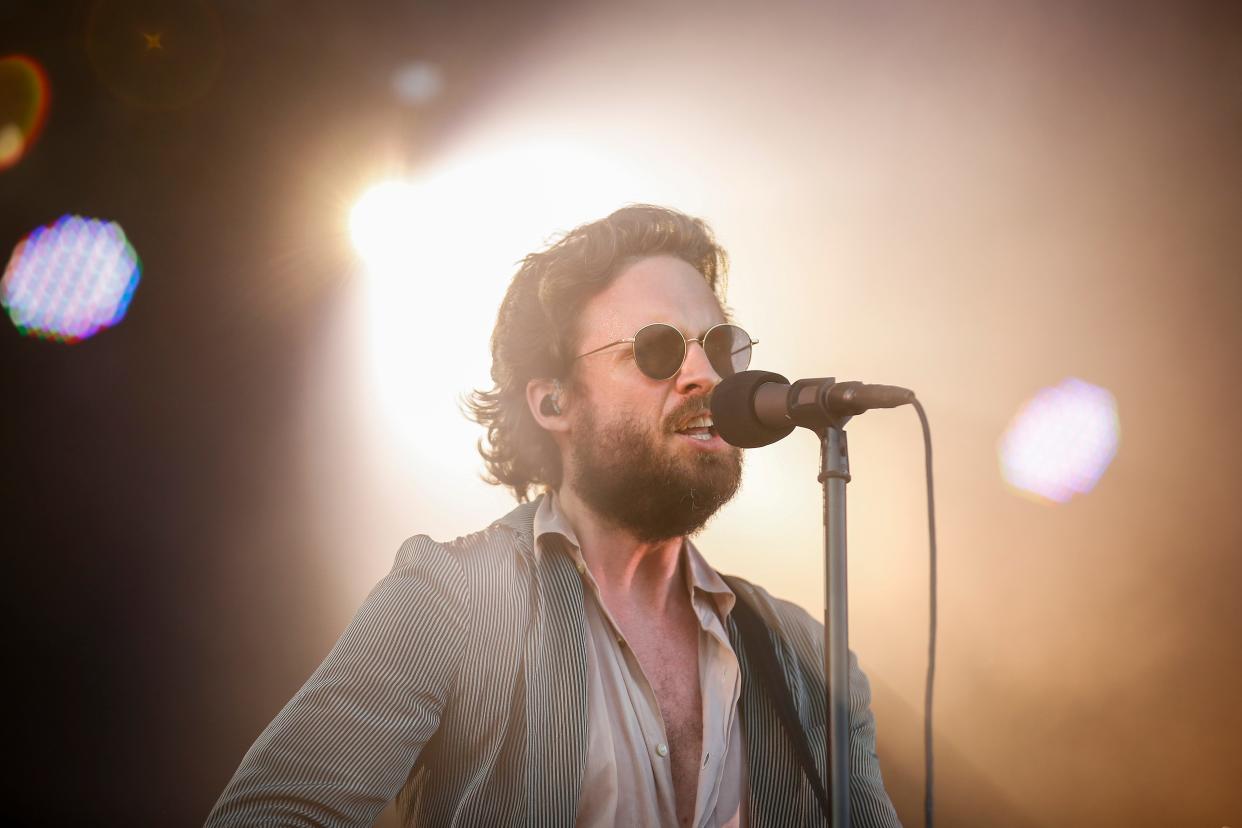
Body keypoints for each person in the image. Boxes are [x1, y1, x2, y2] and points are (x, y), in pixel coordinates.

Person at [205, 205, 901, 827]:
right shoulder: (451, 599)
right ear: (553, 403)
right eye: (656, 351)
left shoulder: (808, 657)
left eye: (718, 347)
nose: (707, 378)